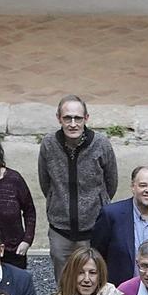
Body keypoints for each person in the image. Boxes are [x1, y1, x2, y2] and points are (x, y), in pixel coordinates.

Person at [38, 96, 118, 276]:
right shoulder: (49, 144)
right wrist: (56, 202)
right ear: (59, 118)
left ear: (86, 118)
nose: (73, 124)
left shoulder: (101, 144)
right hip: (60, 229)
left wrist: (98, 204)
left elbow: (111, 181)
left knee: (93, 279)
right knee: (63, 281)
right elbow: (45, 181)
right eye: (67, 118)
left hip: (94, 229)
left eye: (78, 118)